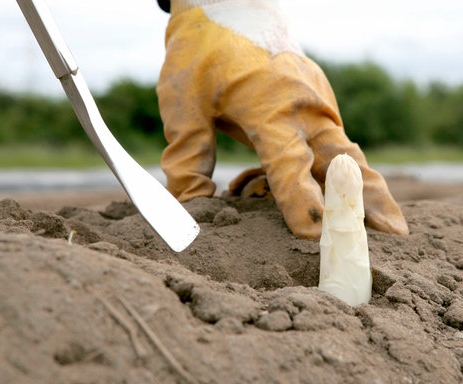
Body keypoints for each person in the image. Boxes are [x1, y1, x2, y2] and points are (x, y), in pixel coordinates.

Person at [155, 0, 409, 240]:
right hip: (287, 51)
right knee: (331, 153)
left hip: (240, 44)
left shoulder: (187, 50)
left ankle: (316, 230)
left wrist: (188, 195)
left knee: (292, 160)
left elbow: (186, 142)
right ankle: (384, 225)